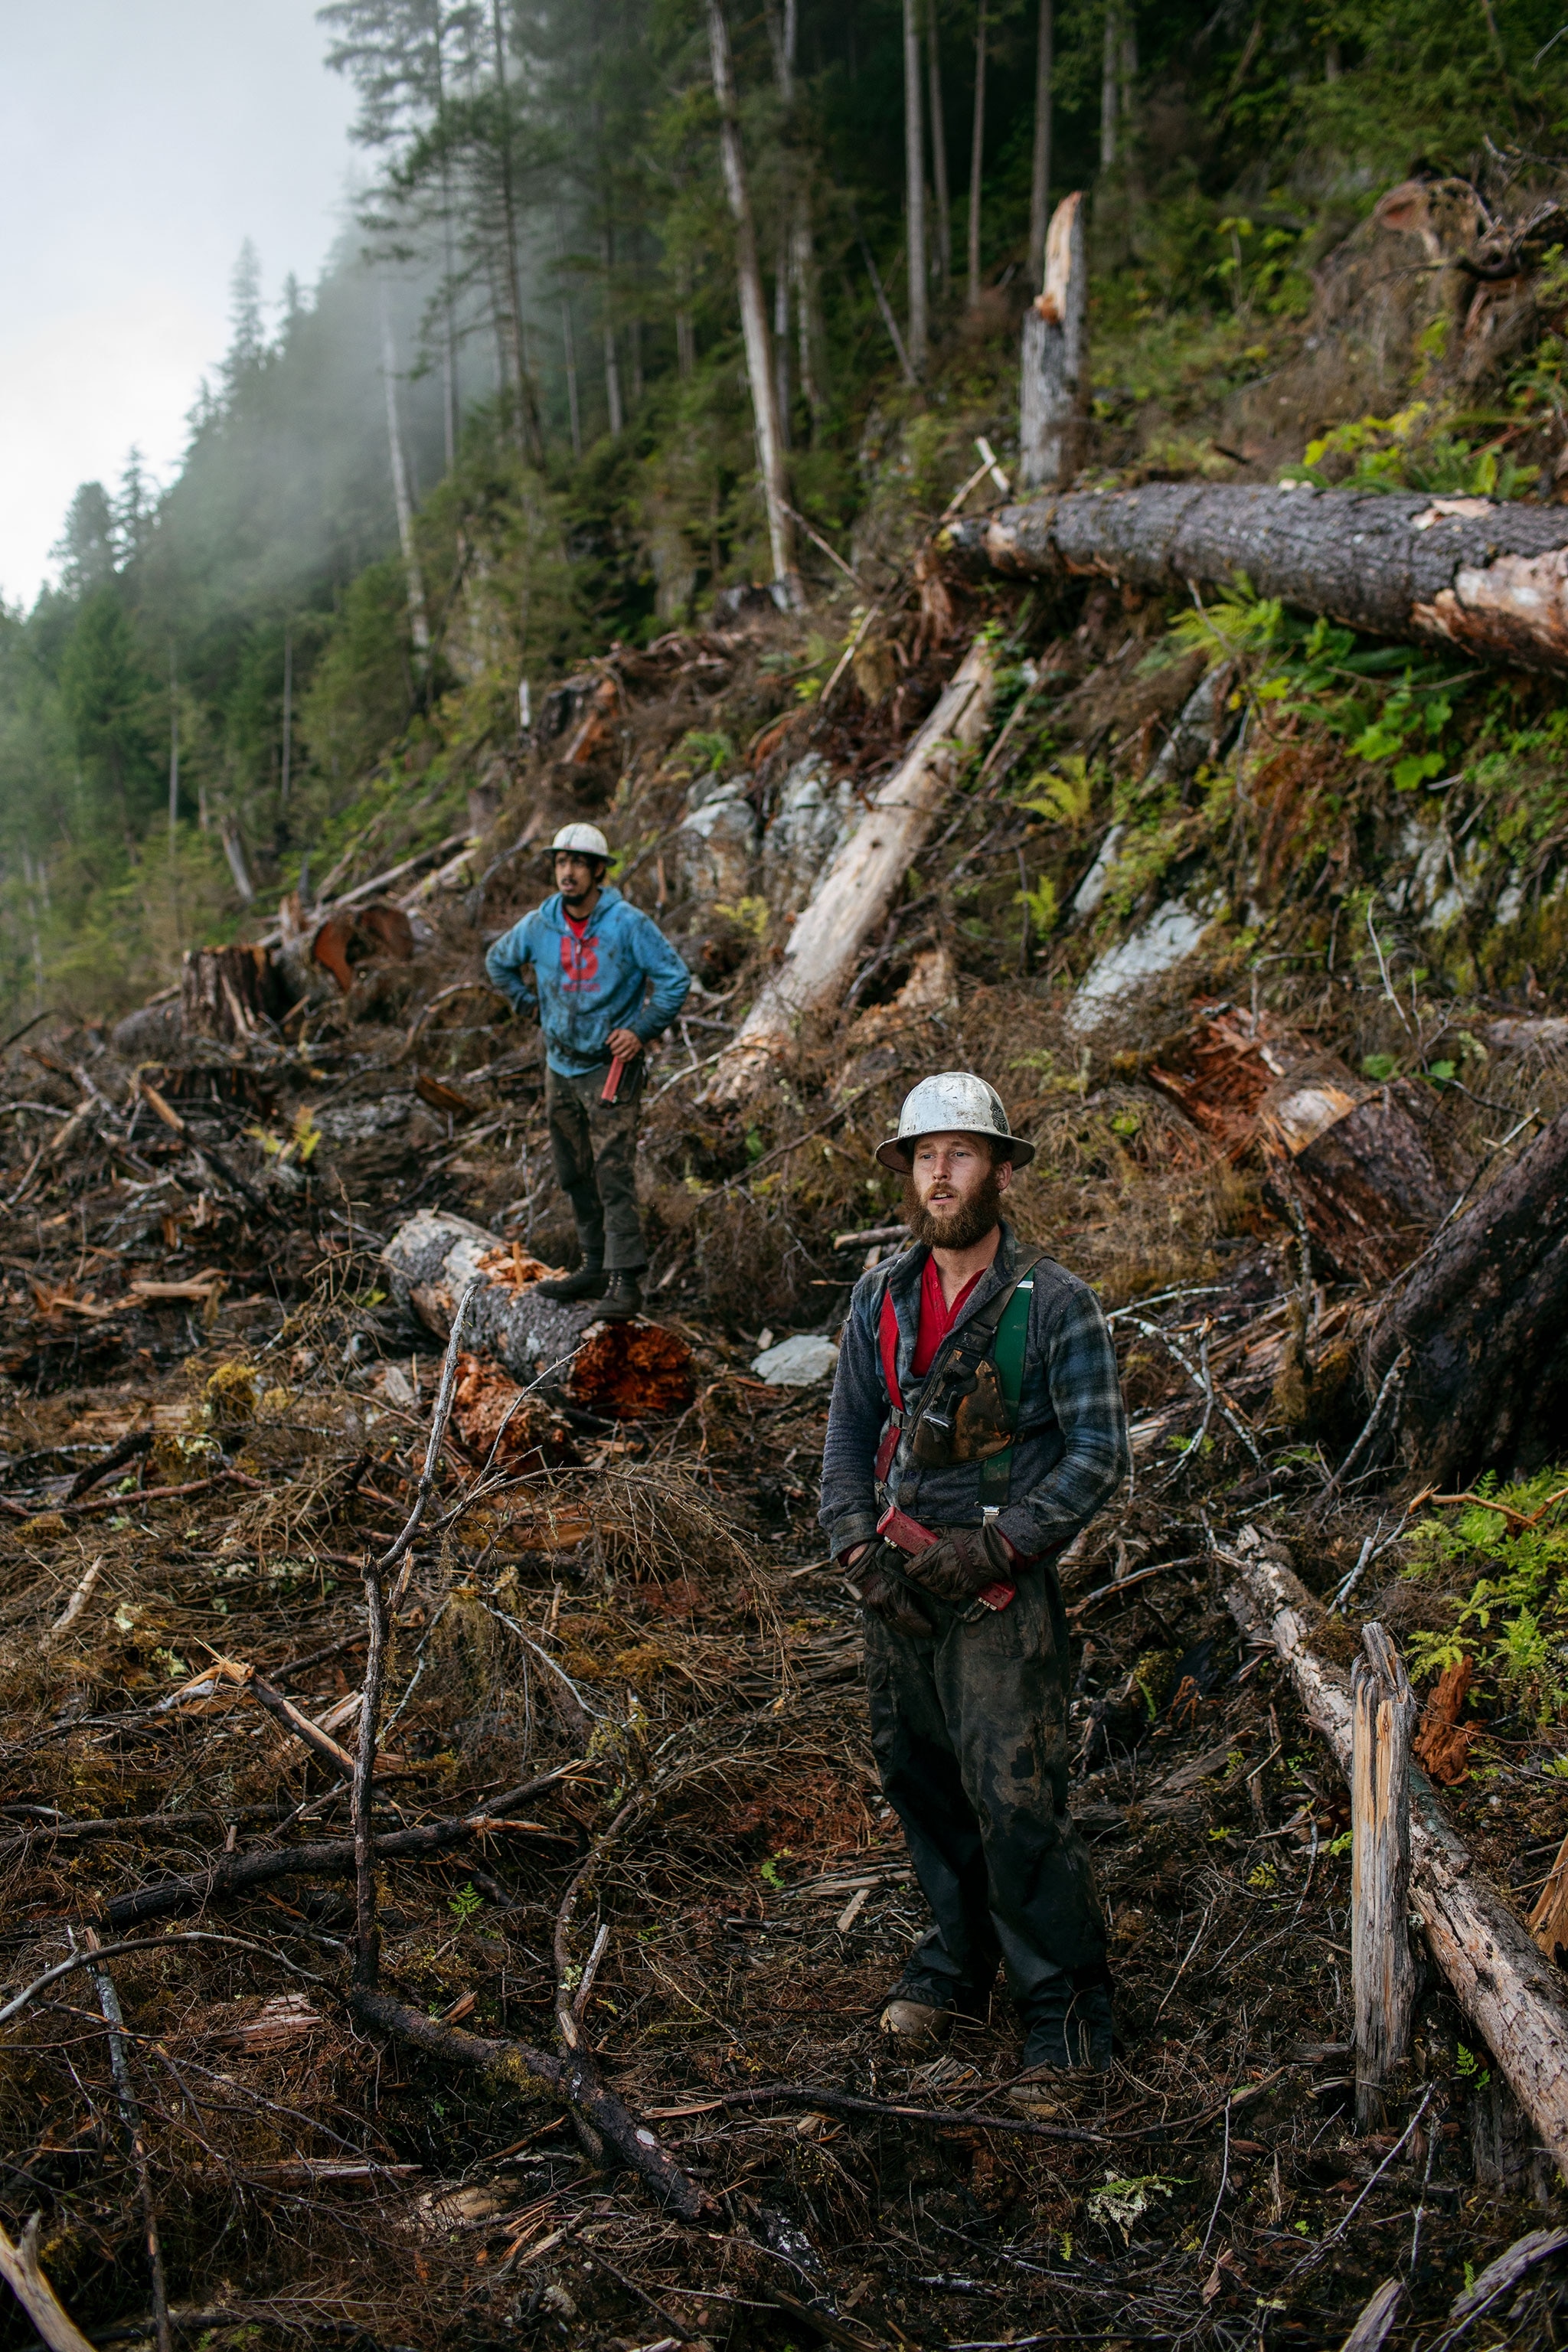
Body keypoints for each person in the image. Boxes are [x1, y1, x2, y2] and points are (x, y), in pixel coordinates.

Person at [819, 1070, 1129, 2093]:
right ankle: (959, 1958)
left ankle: (1066, 1997)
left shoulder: (1056, 1303)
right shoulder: (878, 1297)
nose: (940, 1172)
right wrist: (859, 1552)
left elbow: (1096, 1452)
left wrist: (1006, 1549)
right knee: (918, 1775)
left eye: (960, 1152)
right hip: (901, 1580)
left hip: (1001, 1587)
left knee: (1015, 1792)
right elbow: (848, 1437)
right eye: (924, 1155)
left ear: (999, 1168)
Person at [485, 822, 691, 1320]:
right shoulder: (540, 924)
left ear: (598, 870)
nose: (567, 872)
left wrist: (640, 1030)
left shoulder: (627, 923)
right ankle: (594, 1266)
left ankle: (625, 1284)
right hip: (560, 1066)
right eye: (560, 862)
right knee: (574, 1170)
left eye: (578, 863)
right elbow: (497, 962)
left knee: (613, 1171)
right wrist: (530, 1006)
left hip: (610, 1069)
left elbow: (674, 979)